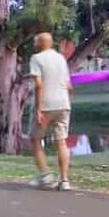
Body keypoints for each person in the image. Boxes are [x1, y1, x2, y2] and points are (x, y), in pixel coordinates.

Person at [28, 32, 73, 191]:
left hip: (46, 105)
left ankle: (45, 175)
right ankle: (65, 180)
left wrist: (38, 109)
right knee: (61, 141)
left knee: (35, 139)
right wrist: (66, 102)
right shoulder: (61, 59)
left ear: (41, 43)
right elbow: (69, 86)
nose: (34, 44)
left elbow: (39, 85)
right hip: (63, 104)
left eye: (35, 42)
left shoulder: (36, 59)